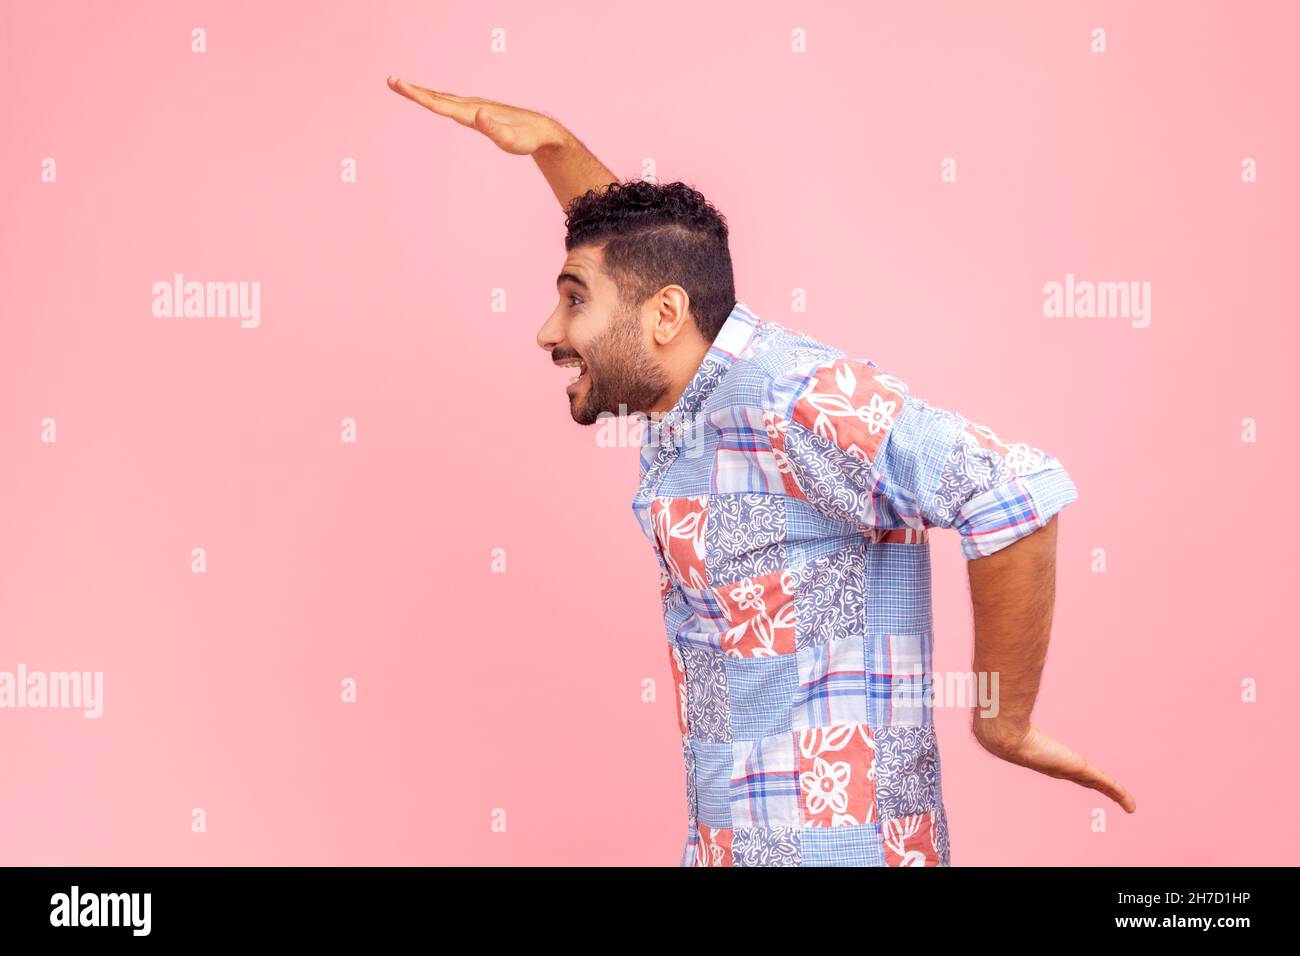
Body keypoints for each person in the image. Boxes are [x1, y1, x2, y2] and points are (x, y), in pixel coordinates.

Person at [388, 76, 1137, 867]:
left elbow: (1010, 488)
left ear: (667, 317)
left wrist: (1002, 719)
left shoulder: (795, 396)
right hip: (732, 842)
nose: (548, 330)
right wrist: (556, 149)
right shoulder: (690, 387)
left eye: (573, 301)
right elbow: (647, 264)